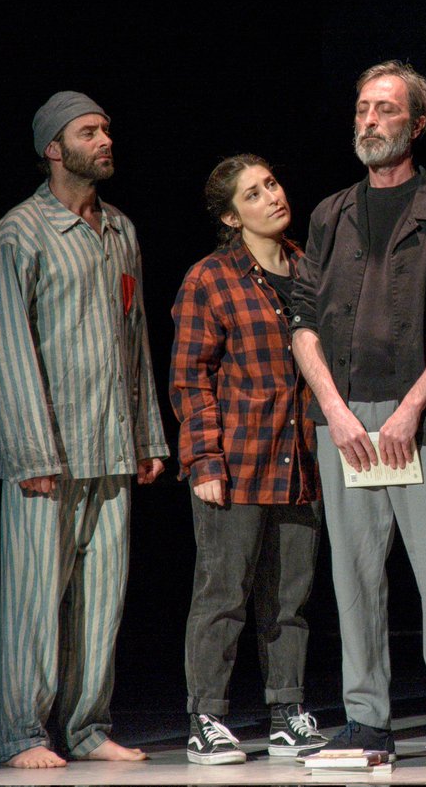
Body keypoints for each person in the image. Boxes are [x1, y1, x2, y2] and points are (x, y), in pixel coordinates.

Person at [291, 60, 426, 766]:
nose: (370, 121)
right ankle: (367, 718)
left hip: (424, 420)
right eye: (362, 109)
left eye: (385, 109)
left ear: (417, 123)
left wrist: (409, 408)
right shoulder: (329, 214)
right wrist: (334, 411)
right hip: (343, 419)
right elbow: (302, 317)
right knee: (354, 576)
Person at [0, 91, 168, 768]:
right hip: (48, 452)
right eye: (90, 131)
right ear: (54, 148)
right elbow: (4, 342)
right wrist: (31, 447)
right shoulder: (20, 231)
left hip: (110, 446)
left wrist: (147, 434)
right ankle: (24, 731)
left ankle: (87, 725)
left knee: (101, 598)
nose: (105, 139)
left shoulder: (120, 230)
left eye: (107, 129)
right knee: (34, 597)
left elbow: (135, 334)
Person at [169, 155, 327, 765]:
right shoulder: (210, 279)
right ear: (233, 217)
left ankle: (287, 712)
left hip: (300, 461)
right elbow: (190, 378)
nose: (272, 196)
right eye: (253, 194)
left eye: (273, 183)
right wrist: (204, 461)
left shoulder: (311, 268)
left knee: (290, 599)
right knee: (223, 594)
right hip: (237, 464)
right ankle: (205, 717)